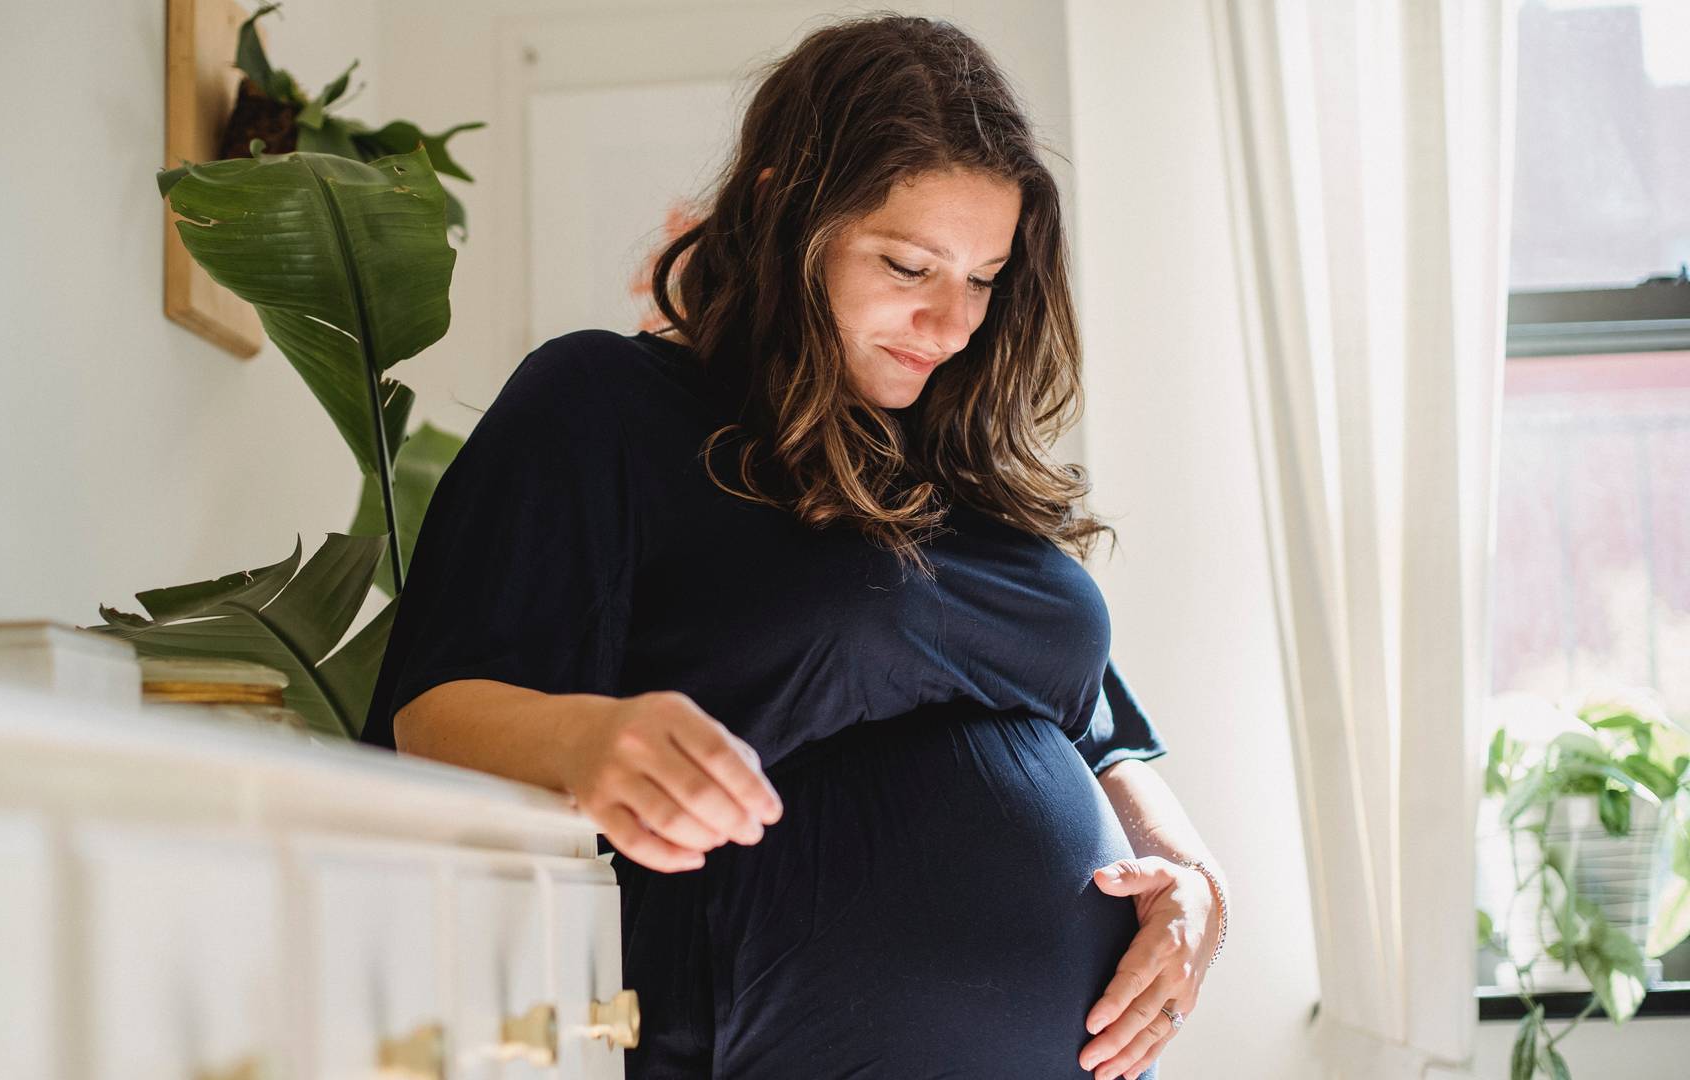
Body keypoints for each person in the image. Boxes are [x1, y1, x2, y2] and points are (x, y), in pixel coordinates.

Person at [360, 12, 1228, 1079]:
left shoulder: (957, 460)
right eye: (909, 265)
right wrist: (590, 743)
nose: (953, 324)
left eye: (985, 277)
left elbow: (1097, 721)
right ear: (784, 208)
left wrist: (1194, 887)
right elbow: (430, 715)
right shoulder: (606, 408)